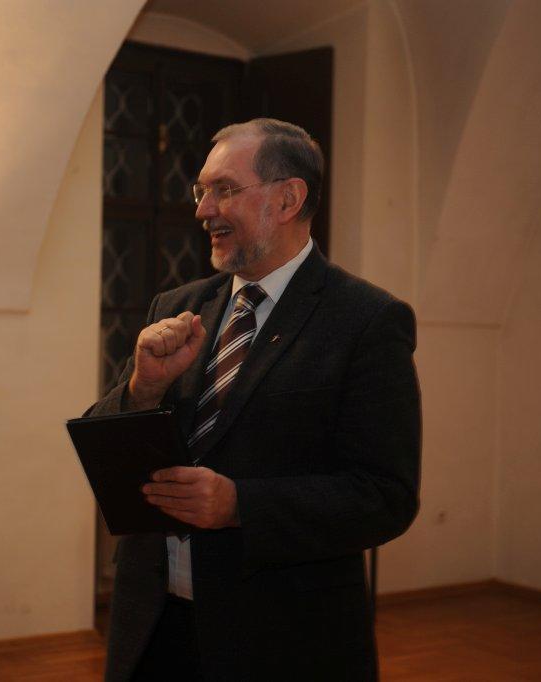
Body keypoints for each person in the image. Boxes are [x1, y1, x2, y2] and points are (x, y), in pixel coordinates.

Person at [87, 118, 421, 681]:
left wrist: (240, 504)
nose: (203, 210)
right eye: (201, 191)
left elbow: (386, 496)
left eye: (224, 189)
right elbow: (103, 452)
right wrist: (143, 387)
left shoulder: (366, 321)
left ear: (289, 198)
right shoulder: (178, 305)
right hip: (153, 627)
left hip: (281, 638)